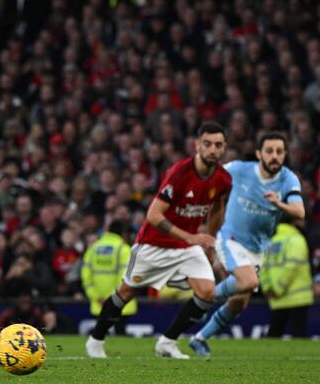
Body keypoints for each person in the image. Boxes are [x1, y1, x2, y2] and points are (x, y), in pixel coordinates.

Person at [85, 122, 232, 359]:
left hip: (187, 246)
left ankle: (167, 342)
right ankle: (96, 339)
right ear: (197, 146)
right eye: (207, 144)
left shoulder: (223, 179)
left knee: (207, 292)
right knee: (126, 292)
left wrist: (209, 241)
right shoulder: (180, 173)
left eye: (218, 145)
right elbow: (153, 215)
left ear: (224, 148)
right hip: (153, 244)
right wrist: (191, 236)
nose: (213, 149)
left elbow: (217, 207)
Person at [189, 132, 305, 356]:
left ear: (285, 155)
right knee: (248, 280)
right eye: (270, 151)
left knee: (240, 302)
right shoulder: (240, 170)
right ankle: (203, 300)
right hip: (231, 238)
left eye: (279, 152)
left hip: (257, 248)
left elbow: (299, 211)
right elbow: (211, 174)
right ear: (259, 153)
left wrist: (279, 203)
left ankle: (200, 337)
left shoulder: (288, 179)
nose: (274, 156)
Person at [81, 220, 137, 335]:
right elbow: (126, 278)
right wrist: (114, 299)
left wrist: (96, 296)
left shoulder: (93, 249)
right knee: (121, 335)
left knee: (99, 336)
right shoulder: (124, 249)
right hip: (120, 302)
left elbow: (86, 277)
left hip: (99, 302)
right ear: (124, 234)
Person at [261, 218, 313, 338]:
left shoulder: (272, 241)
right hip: (298, 297)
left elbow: (263, 268)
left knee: (273, 336)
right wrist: (279, 289)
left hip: (276, 298)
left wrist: (268, 288)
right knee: (299, 336)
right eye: (301, 220)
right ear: (294, 222)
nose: (304, 223)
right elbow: (291, 266)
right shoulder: (297, 239)